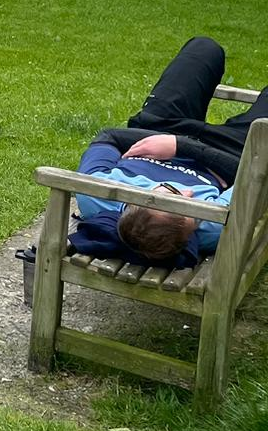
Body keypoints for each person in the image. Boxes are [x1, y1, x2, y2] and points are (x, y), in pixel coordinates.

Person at [70, 37, 268, 267]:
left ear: (143, 195)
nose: (189, 194)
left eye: (174, 193)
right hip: (231, 150)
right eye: (192, 214)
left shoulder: (97, 193)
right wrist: (180, 146)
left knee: (204, 48)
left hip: (159, 127)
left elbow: (108, 136)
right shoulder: (212, 224)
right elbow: (254, 172)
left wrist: (171, 139)